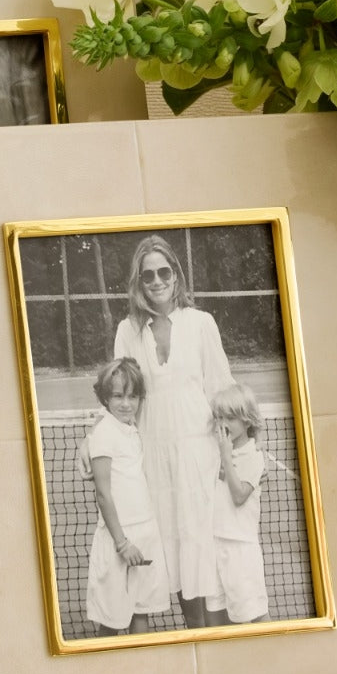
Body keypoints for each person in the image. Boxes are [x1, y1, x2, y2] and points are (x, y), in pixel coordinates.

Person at [113, 234, 234, 629]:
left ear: (176, 276)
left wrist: (232, 455)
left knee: (205, 548)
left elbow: (221, 391)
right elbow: (121, 398)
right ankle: (195, 635)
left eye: (164, 272)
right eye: (148, 275)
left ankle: (217, 640)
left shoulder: (201, 324)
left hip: (200, 455)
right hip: (154, 459)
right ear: (138, 281)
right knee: (174, 552)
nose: (157, 281)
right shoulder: (127, 331)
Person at [83, 357, 170, 636]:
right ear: (105, 398)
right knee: (111, 621)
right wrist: (122, 544)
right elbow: (103, 495)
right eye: (118, 396)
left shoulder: (133, 430)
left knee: (141, 610)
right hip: (118, 540)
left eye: (133, 396)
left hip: (146, 532)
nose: (126, 404)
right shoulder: (103, 434)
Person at [206, 382, 271, 626]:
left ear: (247, 420)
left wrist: (225, 457)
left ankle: (278, 647)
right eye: (220, 417)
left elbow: (239, 495)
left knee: (254, 614)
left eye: (231, 418)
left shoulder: (254, 456)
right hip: (215, 544)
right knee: (218, 615)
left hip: (241, 549)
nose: (223, 423)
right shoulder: (217, 449)